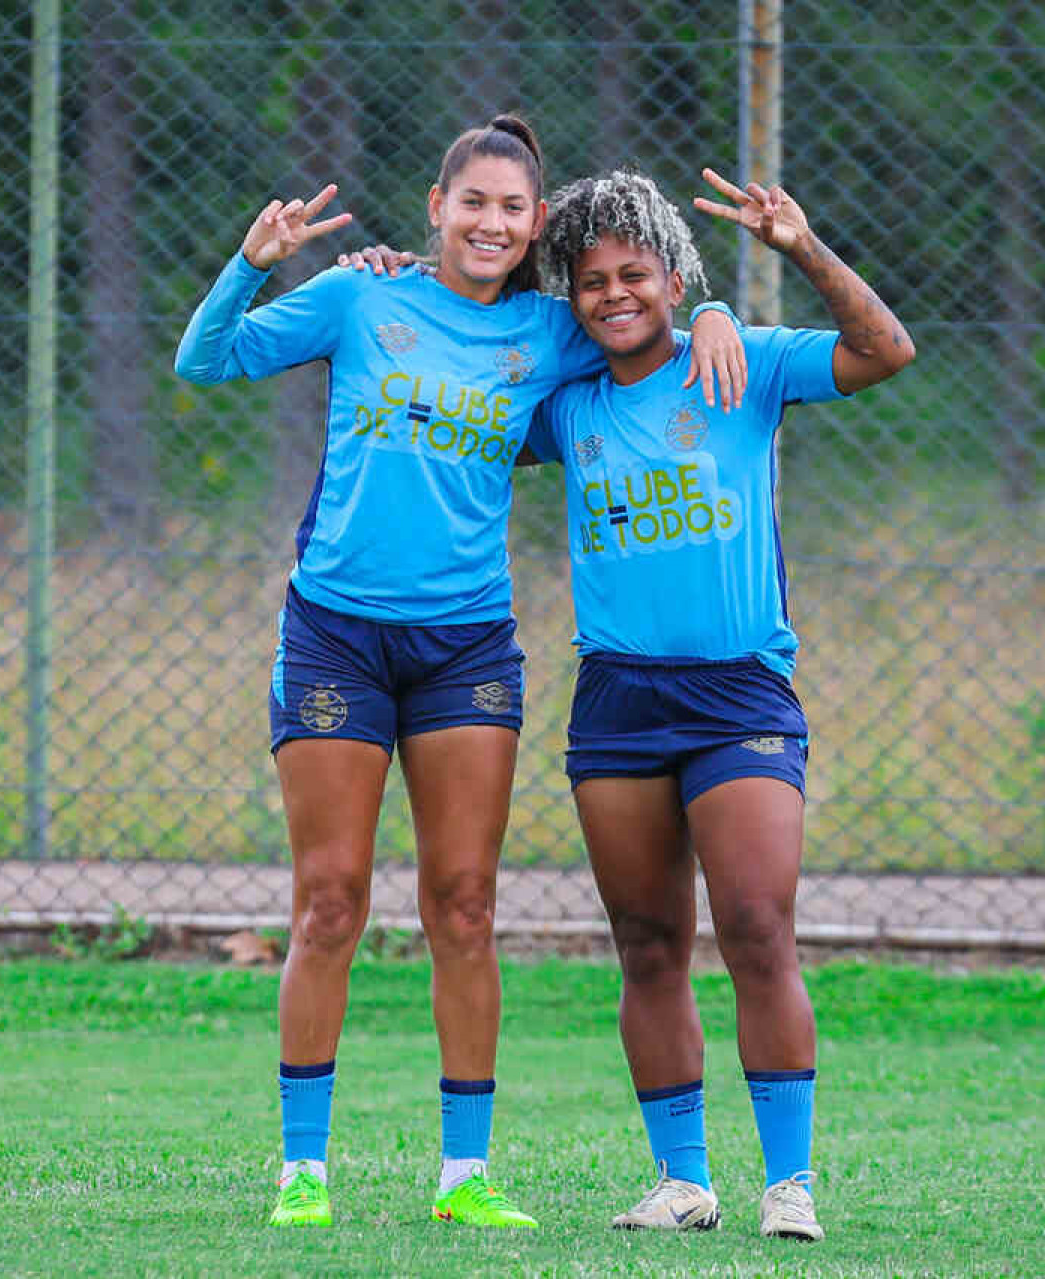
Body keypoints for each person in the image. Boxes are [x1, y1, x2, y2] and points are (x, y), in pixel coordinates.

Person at [172, 116, 746, 1231]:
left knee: (465, 907)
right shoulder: (357, 298)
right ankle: (302, 1174)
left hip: (466, 648)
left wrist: (715, 303)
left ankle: (464, 1177)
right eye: (471, 202)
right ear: (435, 208)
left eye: (513, 209)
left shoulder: (548, 330)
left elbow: (649, 324)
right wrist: (255, 261)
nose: (492, 223)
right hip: (337, 633)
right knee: (330, 903)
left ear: (535, 226)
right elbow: (206, 360)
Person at [520, 167, 915, 1240]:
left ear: (674, 272)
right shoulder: (564, 405)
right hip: (616, 699)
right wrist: (401, 272)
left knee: (754, 925)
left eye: (635, 273)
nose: (613, 294)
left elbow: (886, 351)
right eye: (590, 279)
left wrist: (797, 249)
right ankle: (682, 1177)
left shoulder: (740, 363)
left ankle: (790, 1183)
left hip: (737, 688)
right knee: (648, 941)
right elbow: (469, 356)